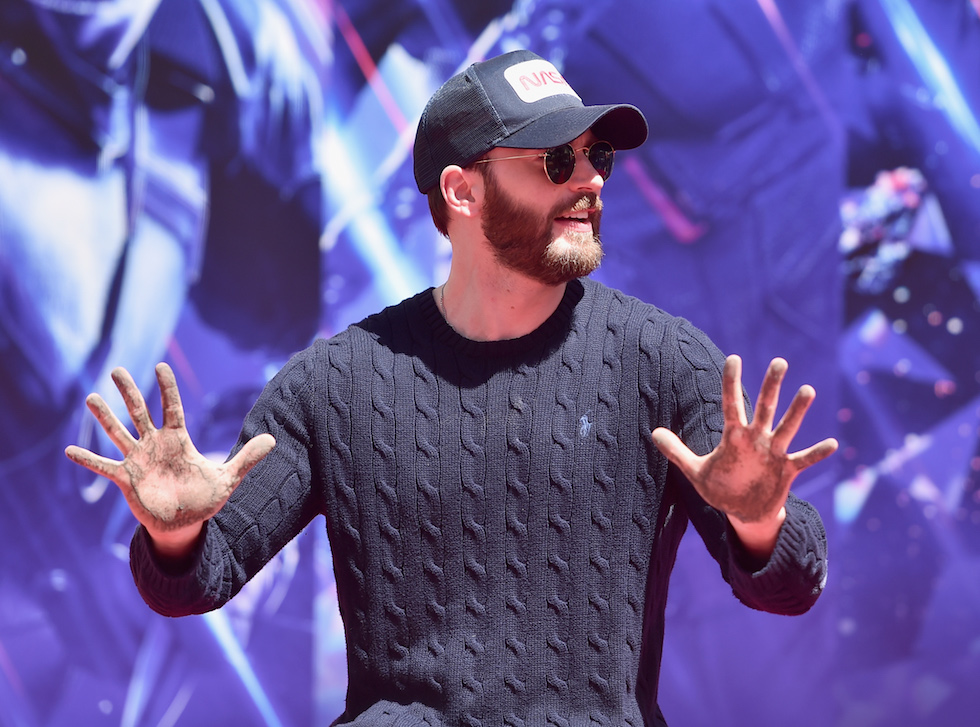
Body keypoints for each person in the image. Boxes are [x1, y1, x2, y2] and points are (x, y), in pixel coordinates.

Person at [66, 49, 838, 727]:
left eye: (596, 154)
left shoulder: (663, 360)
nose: (592, 179)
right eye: (556, 161)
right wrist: (175, 534)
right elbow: (195, 583)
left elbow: (790, 585)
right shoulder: (331, 384)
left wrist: (759, 520)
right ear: (462, 192)